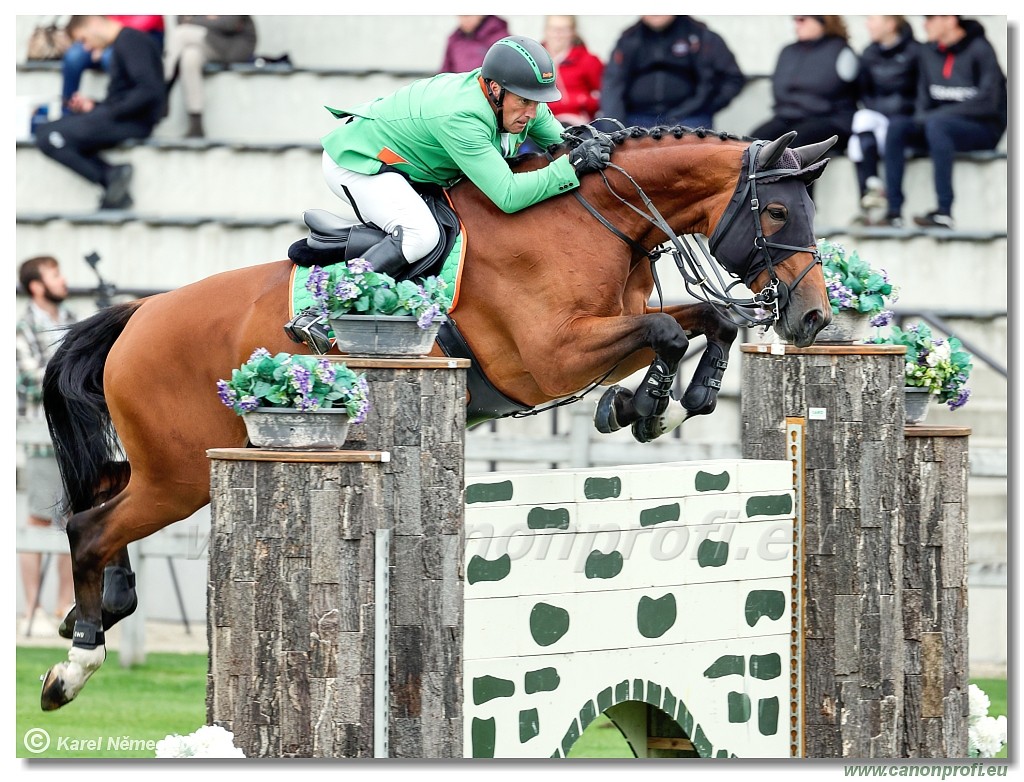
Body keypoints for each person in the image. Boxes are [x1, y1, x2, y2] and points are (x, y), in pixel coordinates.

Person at [316, 35, 612, 280]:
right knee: (422, 235)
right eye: (524, 102)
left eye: (538, 102)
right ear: (496, 89)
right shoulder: (461, 118)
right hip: (359, 162)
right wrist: (571, 167)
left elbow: (565, 143)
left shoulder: (516, 100)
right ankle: (336, 300)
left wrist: (596, 144)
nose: (532, 114)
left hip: (407, 164)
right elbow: (509, 195)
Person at [876, 16, 1007, 229]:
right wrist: (926, 118)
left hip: (982, 130)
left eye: (930, 18)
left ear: (950, 19)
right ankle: (894, 212)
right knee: (898, 126)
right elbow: (923, 101)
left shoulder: (980, 49)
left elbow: (989, 103)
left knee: (938, 124)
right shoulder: (928, 52)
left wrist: (939, 116)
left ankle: (944, 212)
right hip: (937, 127)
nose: (925, 24)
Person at [35, 15, 164, 211]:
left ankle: (111, 176)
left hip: (131, 123)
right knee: (47, 131)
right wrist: (93, 106)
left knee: (48, 136)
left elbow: (149, 91)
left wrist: (109, 111)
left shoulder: (132, 41)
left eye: (84, 39)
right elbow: (127, 95)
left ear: (94, 22)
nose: (86, 47)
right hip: (120, 117)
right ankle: (112, 176)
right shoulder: (125, 42)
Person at [17, 256, 77, 638]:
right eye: (55, 274)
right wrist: (72, 366)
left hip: (74, 437)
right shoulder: (22, 327)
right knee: (39, 521)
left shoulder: (71, 317)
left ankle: (66, 607)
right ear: (37, 285)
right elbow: (26, 378)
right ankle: (33, 610)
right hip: (41, 440)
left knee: (74, 523)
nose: (63, 279)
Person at [597, 15, 745, 130]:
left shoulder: (701, 36)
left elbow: (732, 78)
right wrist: (615, 127)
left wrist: (706, 107)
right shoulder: (628, 39)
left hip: (689, 119)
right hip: (636, 119)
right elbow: (612, 84)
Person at [848, 16, 922, 220]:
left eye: (872, 19)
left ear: (891, 24)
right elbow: (863, 92)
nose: (867, 24)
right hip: (878, 119)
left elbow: (922, 91)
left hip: (906, 124)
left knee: (859, 141)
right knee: (860, 121)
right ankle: (871, 189)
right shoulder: (869, 53)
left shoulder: (917, 51)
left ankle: (878, 204)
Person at [750, 16, 860, 152]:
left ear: (822, 22)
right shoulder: (788, 51)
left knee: (793, 146)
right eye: (795, 20)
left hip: (831, 120)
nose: (796, 24)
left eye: (802, 20)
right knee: (751, 144)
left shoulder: (840, 51)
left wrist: (798, 101)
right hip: (788, 117)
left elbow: (830, 89)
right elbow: (779, 89)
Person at [163, 15, 257, 138]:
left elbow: (228, 24)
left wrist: (194, 20)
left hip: (233, 47)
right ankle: (196, 123)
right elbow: (181, 19)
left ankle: (164, 87)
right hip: (209, 43)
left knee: (181, 34)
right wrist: (209, 20)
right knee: (189, 57)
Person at [60, 15, 165, 110]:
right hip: (109, 34)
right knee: (73, 56)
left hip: (143, 33)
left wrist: (111, 39)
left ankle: (117, 109)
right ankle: (68, 111)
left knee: (110, 56)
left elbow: (148, 18)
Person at [541, 15, 604, 127]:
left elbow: (606, 94)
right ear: (546, 30)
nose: (557, 35)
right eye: (553, 29)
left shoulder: (588, 60)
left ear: (573, 32)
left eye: (564, 30)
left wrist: (582, 101)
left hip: (578, 123)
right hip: (543, 122)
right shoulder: (535, 60)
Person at [440, 15, 510, 74]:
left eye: (469, 15)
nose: (465, 20)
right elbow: (445, 72)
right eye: (462, 16)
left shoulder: (500, 39)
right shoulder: (454, 39)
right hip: (459, 88)